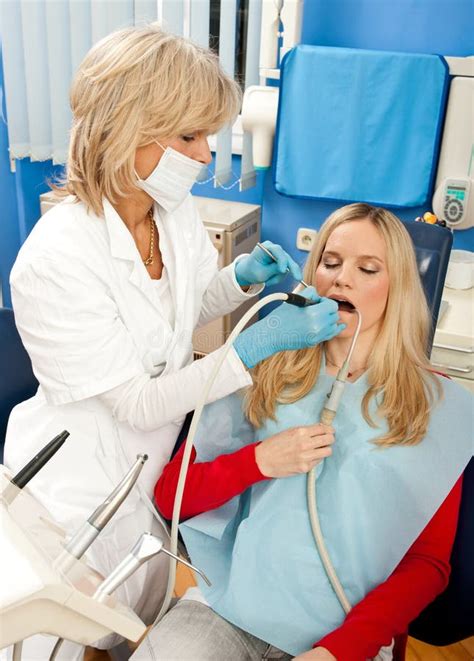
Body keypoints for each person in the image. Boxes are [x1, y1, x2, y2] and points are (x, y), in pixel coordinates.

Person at [4, 24, 343, 660]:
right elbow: (136, 401)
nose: (207, 154)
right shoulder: (55, 258)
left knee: (128, 634)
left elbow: (171, 320)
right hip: (77, 495)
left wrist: (237, 284)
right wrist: (254, 347)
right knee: (62, 641)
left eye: (208, 134)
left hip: (149, 483)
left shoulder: (172, 213)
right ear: (128, 128)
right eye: (190, 136)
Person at [132, 203, 473, 661]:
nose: (341, 279)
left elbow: (428, 565)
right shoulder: (263, 366)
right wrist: (257, 462)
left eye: (367, 268)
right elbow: (171, 496)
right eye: (330, 263)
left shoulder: (431, 404)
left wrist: (338, 651)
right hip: (231, 608)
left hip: (345, 633)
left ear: (398, 289)